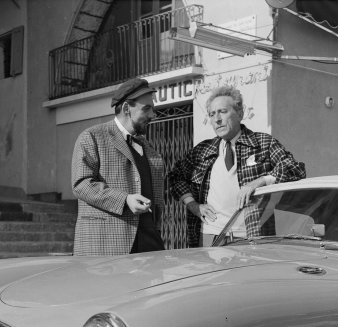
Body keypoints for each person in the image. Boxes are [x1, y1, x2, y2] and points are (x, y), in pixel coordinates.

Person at [169, 85, 306, 247]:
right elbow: (175, 176)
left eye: (223, 112)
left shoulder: (263, 143)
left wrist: (260, 181)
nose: (217, 119)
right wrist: (193, 205)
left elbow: (296, 169)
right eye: (212, 114)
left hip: (253, 236)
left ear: (240, 113)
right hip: (210, 235)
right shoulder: (203, 151)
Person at [71, 77, 165, 255]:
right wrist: (124, 200)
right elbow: (81, 184)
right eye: (147, 109)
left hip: (149, 243)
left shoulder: (148, 147)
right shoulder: (92, 137)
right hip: (106, 246)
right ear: (126, 108)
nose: (153, 115)